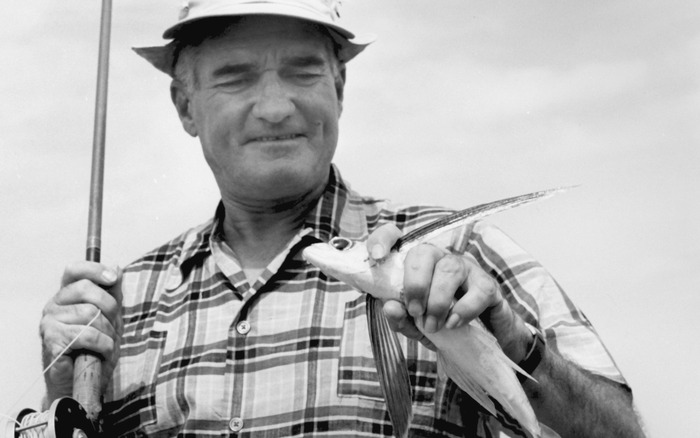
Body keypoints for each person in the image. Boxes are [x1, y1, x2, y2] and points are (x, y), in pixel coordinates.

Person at [40, 1, 646, 436]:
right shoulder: (117, 306)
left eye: (303, 70)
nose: (276, 107)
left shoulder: (458, 247)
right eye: (235, 76)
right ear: (185, 105)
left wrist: (511, 339)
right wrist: (64, 395)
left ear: (339, 86)